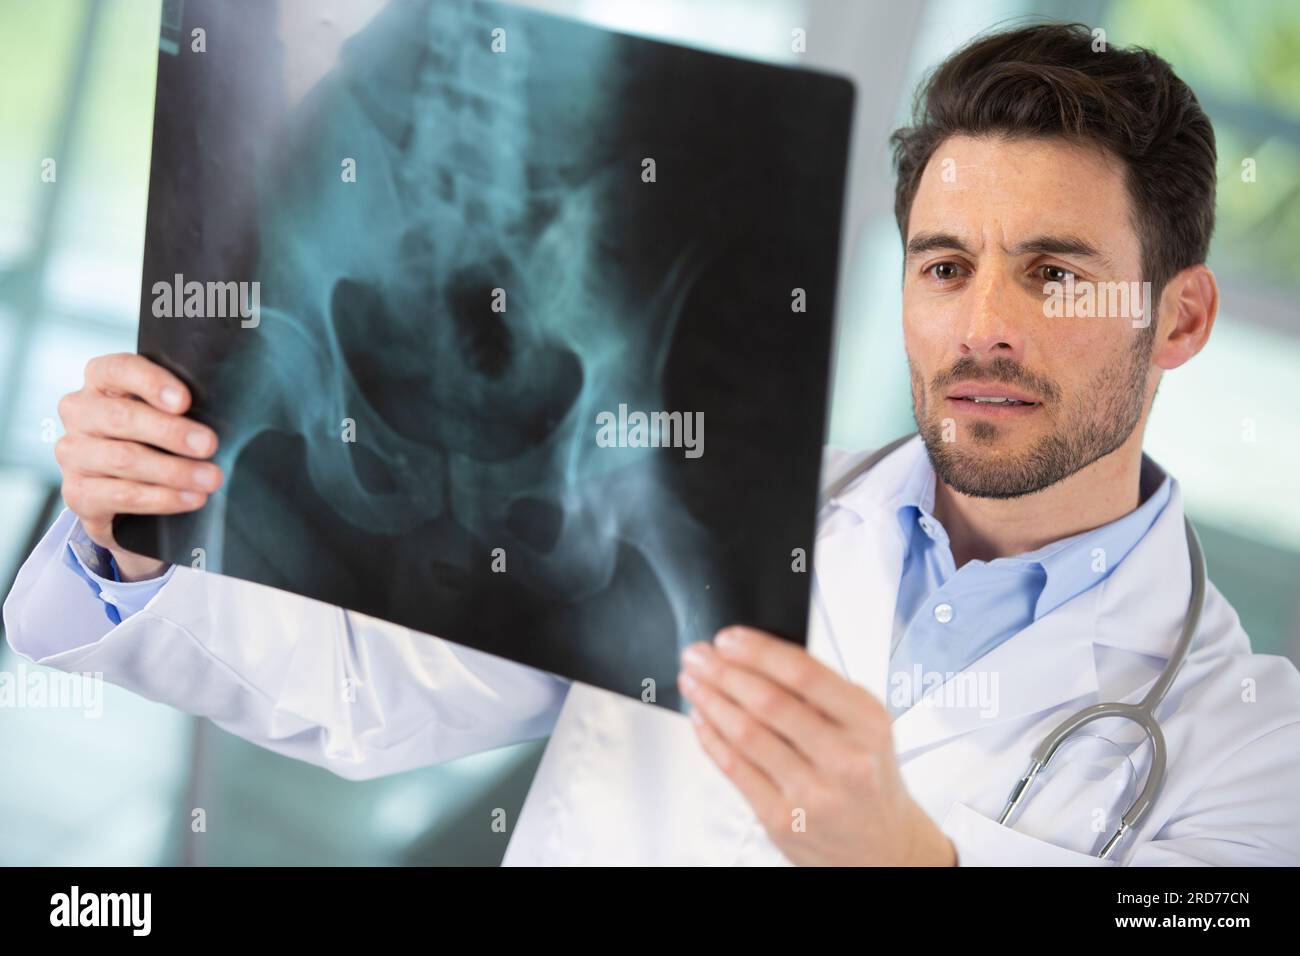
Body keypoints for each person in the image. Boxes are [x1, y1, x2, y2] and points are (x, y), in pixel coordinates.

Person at [6, 22, 1300, 865]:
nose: (986, 327)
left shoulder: (1257, 752)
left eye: (1056, 272)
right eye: (946, 265)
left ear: (1180, 318)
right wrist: (136, 536)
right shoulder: (708, 508)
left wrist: (906, 858)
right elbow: (374, 697)